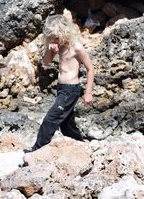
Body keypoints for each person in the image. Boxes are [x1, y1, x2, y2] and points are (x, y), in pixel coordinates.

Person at [24, 15, 94, 153]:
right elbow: (46, 62)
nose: (54, 40)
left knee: (51, 119)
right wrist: (51, 50)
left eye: (56, 37)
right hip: (61, 89)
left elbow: (90, 69)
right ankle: (81, 146)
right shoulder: (58, 46)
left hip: (71, 90)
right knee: (66, 125)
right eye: (52, 38)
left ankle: (37, 149)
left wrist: (88, 92)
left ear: (65, 32)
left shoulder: (77, 47)